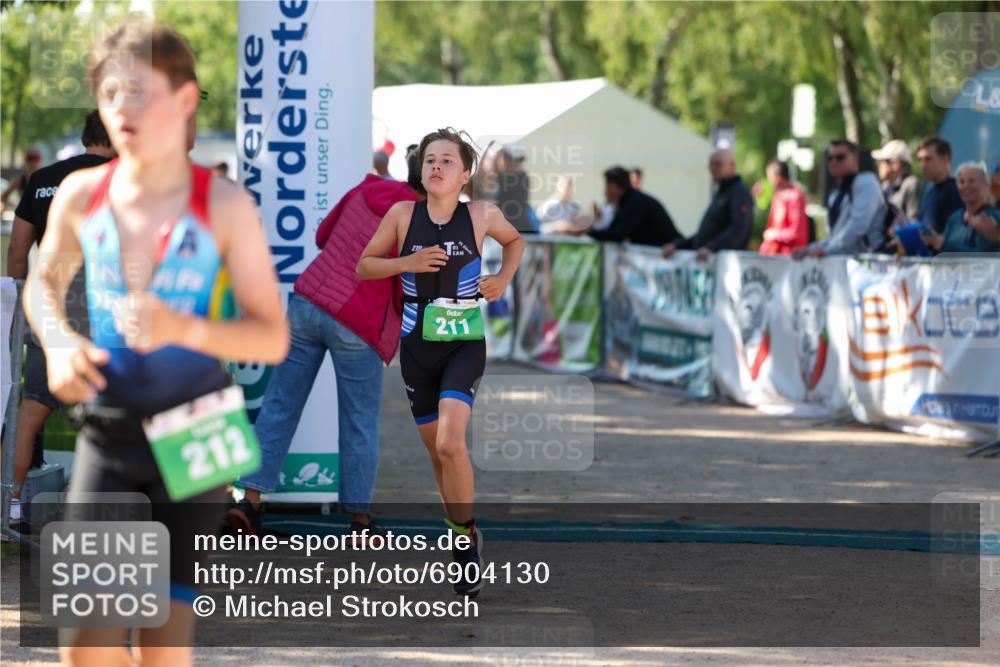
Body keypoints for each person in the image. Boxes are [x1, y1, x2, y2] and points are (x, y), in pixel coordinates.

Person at [23, 22, 288, 665]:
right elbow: (42, 285)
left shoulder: (225, 205)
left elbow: (272, 334)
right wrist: (59, 344)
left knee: (162, 647)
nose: (123, 108)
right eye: (111, 93)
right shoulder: (84, 194)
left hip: (195, 431)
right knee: (86, 647)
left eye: (140, 91)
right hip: (108, 430)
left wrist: (185, 330)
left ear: (186, 99)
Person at [357, 127, 524, 596]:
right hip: (416, 348)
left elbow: (515, 243)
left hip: (463, 344)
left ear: (465, 174)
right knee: (437, 454)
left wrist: (503, 279)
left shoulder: (481, 214)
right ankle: (459, 532)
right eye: (430, 159)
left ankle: (466, 541)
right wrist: (404, 265)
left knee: (452, 444)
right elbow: (364, 265)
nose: (437, 167)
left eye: (447, 161)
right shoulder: (401, 214)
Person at [226, 152, 426, 539]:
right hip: (360, 322)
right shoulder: (417, 220)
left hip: (309, 302)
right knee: (359, 422)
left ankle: (248, 503)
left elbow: (322, 237)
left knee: (280, 405)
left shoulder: (367, 188)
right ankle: (360, 522)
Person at [3, 111, 115, 525]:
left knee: (30, 410)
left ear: (86, 136)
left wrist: (18, 306)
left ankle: (9, 504)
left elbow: (17, 254)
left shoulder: (44, 178)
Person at [793, 140, 885, 258]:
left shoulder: (866, 183)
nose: (834, 162)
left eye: (840, 157)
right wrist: (807, 250)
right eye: (830, 158)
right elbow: (835, 237)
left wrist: (827, 251)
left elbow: (858, 226)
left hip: (868, 265)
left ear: (855, 159)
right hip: (845, 265)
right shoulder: (837, 194)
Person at [662, 148, 753, 261]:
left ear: (732, 165)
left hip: (726, 267)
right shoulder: (722, 193)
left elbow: (739, 230)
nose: (713, 168)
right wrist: (677, 245)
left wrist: (712, 249)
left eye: (718, 164)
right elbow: (706, 234)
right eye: (711, 164)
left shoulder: (738, 192)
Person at [904, 162, 999, 255]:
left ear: (986, 185)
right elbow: (941, 253)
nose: (966, 186)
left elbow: (985, 259)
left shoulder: (993, 217)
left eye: (971, 181)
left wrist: (942, 245)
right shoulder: (954, 218)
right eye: (961, 182)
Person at [587, 166, 681, 246]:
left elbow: (618, 235)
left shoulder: (635, 202)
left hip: (673, 254)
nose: (605, 192)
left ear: (616, 188)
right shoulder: (626, 202)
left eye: (607, 187)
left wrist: (587, 232)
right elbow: (612, 230)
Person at [758, 159, 809, 256]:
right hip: (774, 254)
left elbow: (797, 232)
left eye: (770, 176)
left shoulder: (795, 197)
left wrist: (775, 234)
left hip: (789, 256)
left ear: (778, 177)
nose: (769, 180)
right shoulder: (777, 196)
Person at [916, 137, 962, 234]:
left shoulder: (956, 190)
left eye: (928, 159)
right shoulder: (931, 192)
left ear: (946, 159)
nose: (922, 165)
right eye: (920, 160)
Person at [872, 139, 920, 220]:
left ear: (896, 164)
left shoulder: (911, 184)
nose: (878, 165)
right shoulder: (886, 186)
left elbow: (913, 221)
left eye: (881, 161)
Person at [494, 146, 534, 233]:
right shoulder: (523, 176)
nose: (519, 166)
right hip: (520, 227)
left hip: (512, 227)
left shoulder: (508, 177)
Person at [1, 147, 43, 214]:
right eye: (30, 158)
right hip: (25, 216)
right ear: (25, 160)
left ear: (40, 160)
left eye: (36, 158)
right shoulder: (19, 180)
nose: (33, 162)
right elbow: (4, 196)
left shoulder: (45, 179)